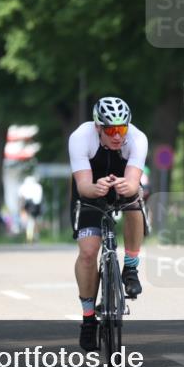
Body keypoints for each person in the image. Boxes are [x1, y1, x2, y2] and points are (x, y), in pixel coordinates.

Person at [69, 96, 147, 351]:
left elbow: (134, 182)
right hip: (90, 189)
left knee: (134, 202)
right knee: (89, 252)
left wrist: (129, 186)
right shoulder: (81, 138)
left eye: (121, 129)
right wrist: (96, 187)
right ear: (97, 127)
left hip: (122, 185)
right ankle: (89, 318)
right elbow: (83, 186)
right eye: (111, 130)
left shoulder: (137, 139)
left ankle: (131, 267)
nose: (117, 136)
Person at [19, 175, 44, 244]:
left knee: (30, 222)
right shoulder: (38, 186)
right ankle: (34, 237)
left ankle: (30, 237)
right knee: (34, 221)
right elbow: (39, 198)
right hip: (36, 206)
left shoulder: (24, 186)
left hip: (29, 206)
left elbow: (21, 198)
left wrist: (22, 208)